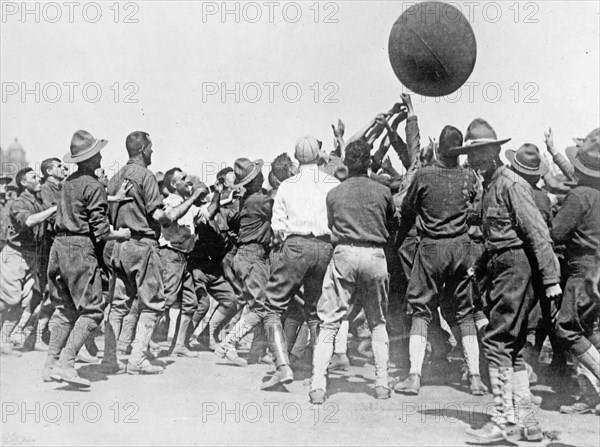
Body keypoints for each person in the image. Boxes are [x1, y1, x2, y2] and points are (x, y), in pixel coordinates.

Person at [454, 119, 561, 443]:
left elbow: (536, 232)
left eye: (478, 152)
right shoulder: (490, 185)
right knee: (512, 349)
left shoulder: (511, 184)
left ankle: (502, 420)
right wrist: (480, 265)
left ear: (495, 151)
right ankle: (528, 423)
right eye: (469, 154)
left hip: (516, 267)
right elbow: (495, 236)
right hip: (503, 266)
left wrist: (552, 278)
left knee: (497, 342)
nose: (471, 160)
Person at [394, 125, 485, 396]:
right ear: (460, 151)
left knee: (420, 311)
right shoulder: (470, 177)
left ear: (437, 149)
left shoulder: (423, 175)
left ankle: (414, 375)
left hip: (431, 248)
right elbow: (477, 212)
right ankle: (476, 378)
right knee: (465, 312)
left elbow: (408, 209)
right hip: (461, 248)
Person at [101, 131, 200, 375]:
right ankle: (137, 359)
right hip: (142, 245)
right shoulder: (145, 176)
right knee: (153, 303)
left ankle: (111, 358)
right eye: (151, 148)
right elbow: (161, 217)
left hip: (119, 246)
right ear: (143, 149)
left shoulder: (115, 177)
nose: (153, 152)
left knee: (118, 305)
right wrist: (191, 201)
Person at [309, 139, 396, 404]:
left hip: (344, 253)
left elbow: (331, 224)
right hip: (374, 254)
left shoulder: (335, 192)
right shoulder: (383, 191)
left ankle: (317, 386)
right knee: (377, 321)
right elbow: (391, 223)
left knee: (330, 321)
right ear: (369, 161)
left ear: (347, 162)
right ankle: (381, 383)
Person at [43, 130, 131, 387]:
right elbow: (102, 230)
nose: (101, 155)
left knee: (65, 310)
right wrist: (121, 234)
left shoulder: (67, 182)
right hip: (80, 250)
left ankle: (50, 365)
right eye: (98, 152)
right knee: (93, 310)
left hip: (58, 248)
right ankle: (66, 364)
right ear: (91, 158)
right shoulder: (93, 185)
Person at [260, 136, 340, 389]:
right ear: (318, 156)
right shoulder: (333, 183)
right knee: (316, 311)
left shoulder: (287, 185)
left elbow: (277, 227)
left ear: (297, 159)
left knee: (272, 307)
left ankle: (282, 366)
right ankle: (318, 373)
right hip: (325, 246)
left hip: (295, 245)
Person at [550, 129, 600, 414]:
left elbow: (556, 233)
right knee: (589, 329)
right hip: (597, 272)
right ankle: (591, 396)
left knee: (566, 328)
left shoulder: (579, 196)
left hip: (580, 272)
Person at [214, 158, 272, 367]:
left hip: (245, 256)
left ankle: (257, 349)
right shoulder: (259, 200)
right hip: (253, 255)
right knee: (260, 307)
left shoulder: (247, 199)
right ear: (254, 180)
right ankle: (228, 344)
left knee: (255, 304)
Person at [0, 168, 56, 356]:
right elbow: (30, 221)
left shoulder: (39, 201)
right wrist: (55, 208)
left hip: (31, 255)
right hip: (14, 255)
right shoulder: (18, 203)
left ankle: (4, 341)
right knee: (11, 300)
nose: (39, 178)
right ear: (24, 182)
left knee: (25, 301)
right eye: (34, 177)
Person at [157, 167, 212, 357]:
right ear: (173, 185)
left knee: (190, 302)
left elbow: (205, 215)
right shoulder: (169, 202)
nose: (189, 181)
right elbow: (171, 217)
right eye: (183, 179)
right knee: (165, 300)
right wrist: (193, 196)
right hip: (170, 256)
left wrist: (219, 198)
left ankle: (179, 345)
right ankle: (144, 344)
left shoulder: (186, 204)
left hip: (184, 258)